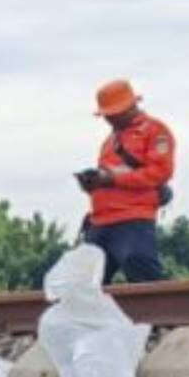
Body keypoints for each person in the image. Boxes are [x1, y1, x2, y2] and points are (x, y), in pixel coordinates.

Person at [75, 79, 175, 284]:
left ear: (128, 107)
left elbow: (159, 173)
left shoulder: (155, 131)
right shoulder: (110, 141)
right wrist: (92, 185)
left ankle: (157, 314)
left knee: (142, 277)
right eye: (106, 115)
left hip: (133, 219)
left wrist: (111, 179)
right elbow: (110, 179)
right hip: (100, 221)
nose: (108, 120)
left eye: (111, 114)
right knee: (85, 285)